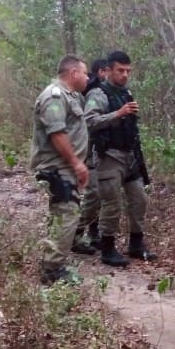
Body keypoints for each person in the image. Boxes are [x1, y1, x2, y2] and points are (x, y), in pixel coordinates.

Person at [84, 50, 157, 265]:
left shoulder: (126, 93)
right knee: (112, 202)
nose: (125, 75)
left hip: (130, 156)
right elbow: (89, 121)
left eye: (128, 71)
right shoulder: (98, 94)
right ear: (108, 71)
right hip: (109, 156)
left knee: (139, 199)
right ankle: (107, 248)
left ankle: (136, 243)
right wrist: (118, 113)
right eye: (120, 70)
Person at [30, 55, 91, 285]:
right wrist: (76, 163)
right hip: (57, 168)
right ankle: (52, 271)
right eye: (84, 73)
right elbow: (57, 133)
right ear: (73, 73)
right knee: (66, 216)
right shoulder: (53, 96)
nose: (87, 77)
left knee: (64, 216)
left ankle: (54, 263)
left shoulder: (71, 97)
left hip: (66, 167)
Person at [71, 58, 111, 256]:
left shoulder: (104, 90)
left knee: (99, 195)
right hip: (87, 151)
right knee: (93, 194)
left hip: (99, 151)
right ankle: (74, 233)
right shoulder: (92, 92)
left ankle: (92, 233)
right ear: (102, 71)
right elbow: (89, 122)